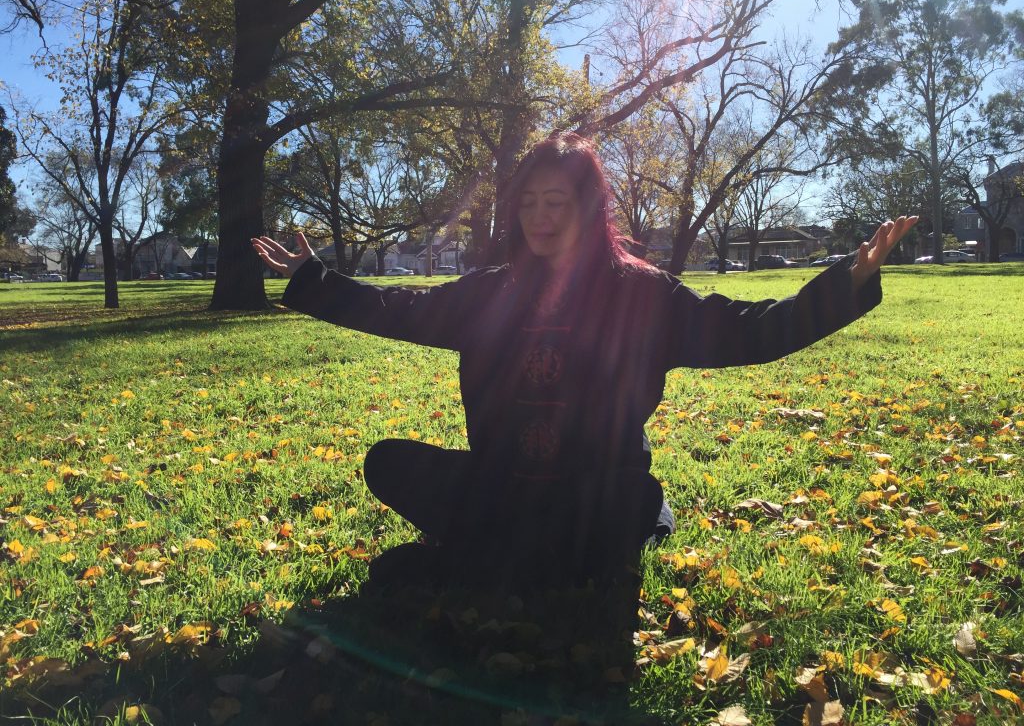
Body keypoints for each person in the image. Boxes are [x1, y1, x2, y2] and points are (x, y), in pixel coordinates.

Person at [252, 131, 917, 593]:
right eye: (529, 203)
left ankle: (502, 560)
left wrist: (846, 283)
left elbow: (746, 332)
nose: (541, 218)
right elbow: (397, 309)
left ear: (588, 207)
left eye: (557, 203)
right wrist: (314, 280)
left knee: (619, 510)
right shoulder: (491, 291)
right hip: (506, 485)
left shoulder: (639, 293)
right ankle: (537, 559)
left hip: (594, 494)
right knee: (389, 462)